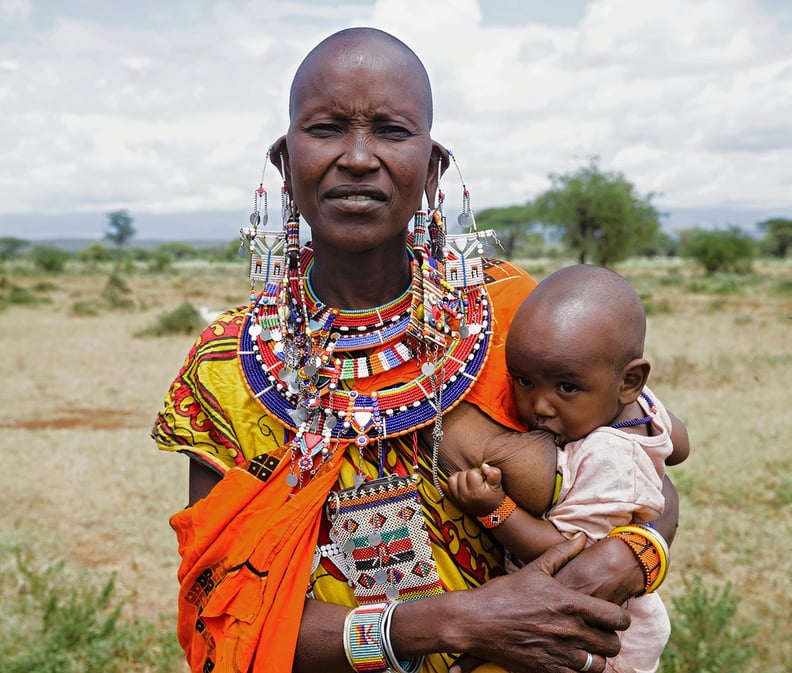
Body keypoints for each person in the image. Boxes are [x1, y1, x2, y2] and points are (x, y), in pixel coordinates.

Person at [152, 27, 680, 673]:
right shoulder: (226, 369)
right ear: (285, 164)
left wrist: (633, 551)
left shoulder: (515, 312)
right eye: (325, 128)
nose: (357, 156)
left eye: (391, 130)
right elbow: (225, 614)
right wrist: (454, 621)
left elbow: (641, 461)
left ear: (432, 169)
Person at [447, 265, 689, 673]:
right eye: (523, 381)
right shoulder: (642, 405)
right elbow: (678, 446)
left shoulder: (606, 458)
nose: (539, 406)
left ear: (629, 380)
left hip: (596, 641)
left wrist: (494, 509)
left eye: (566, 388)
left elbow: (568, 555)